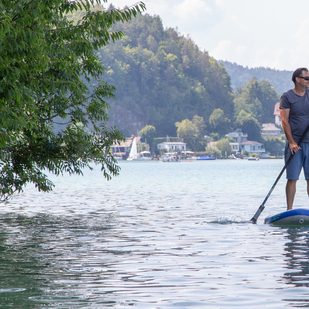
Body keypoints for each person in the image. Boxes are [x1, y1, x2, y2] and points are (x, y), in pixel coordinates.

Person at [280, 67, 309, 210]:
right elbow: (284, 121)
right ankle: (289, 210)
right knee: (292, 179)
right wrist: (291, 143)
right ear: (297, 79)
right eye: (307, 78)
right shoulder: (287, 97)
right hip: (295, 144)